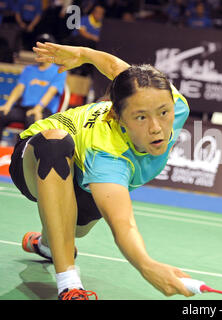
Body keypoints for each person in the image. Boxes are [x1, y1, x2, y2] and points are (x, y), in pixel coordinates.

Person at [11, 41, 193, 300]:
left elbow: (118, 69)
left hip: (83, 173)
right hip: (36, 157)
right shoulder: (107, 154)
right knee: (55, 142)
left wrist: (84, 54)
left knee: (74, 230)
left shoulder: (173, 104)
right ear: (116, 116)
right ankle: (68, 283)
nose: (157, 128)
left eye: (163, 112)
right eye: (141, 117)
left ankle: (45, 245)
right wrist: (146, 265)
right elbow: (123, 224)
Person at [0, 34, 67, 144]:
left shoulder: (59, 71)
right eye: (39, 47)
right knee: (1, 114)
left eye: (44, 48)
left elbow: (51, 92)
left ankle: (25, 157)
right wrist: (8, 104)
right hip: (24, 108)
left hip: (44, 111)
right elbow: (19, 88)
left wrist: (38, 108)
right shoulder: (28, 69)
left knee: (32, 121)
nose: (41, 50)